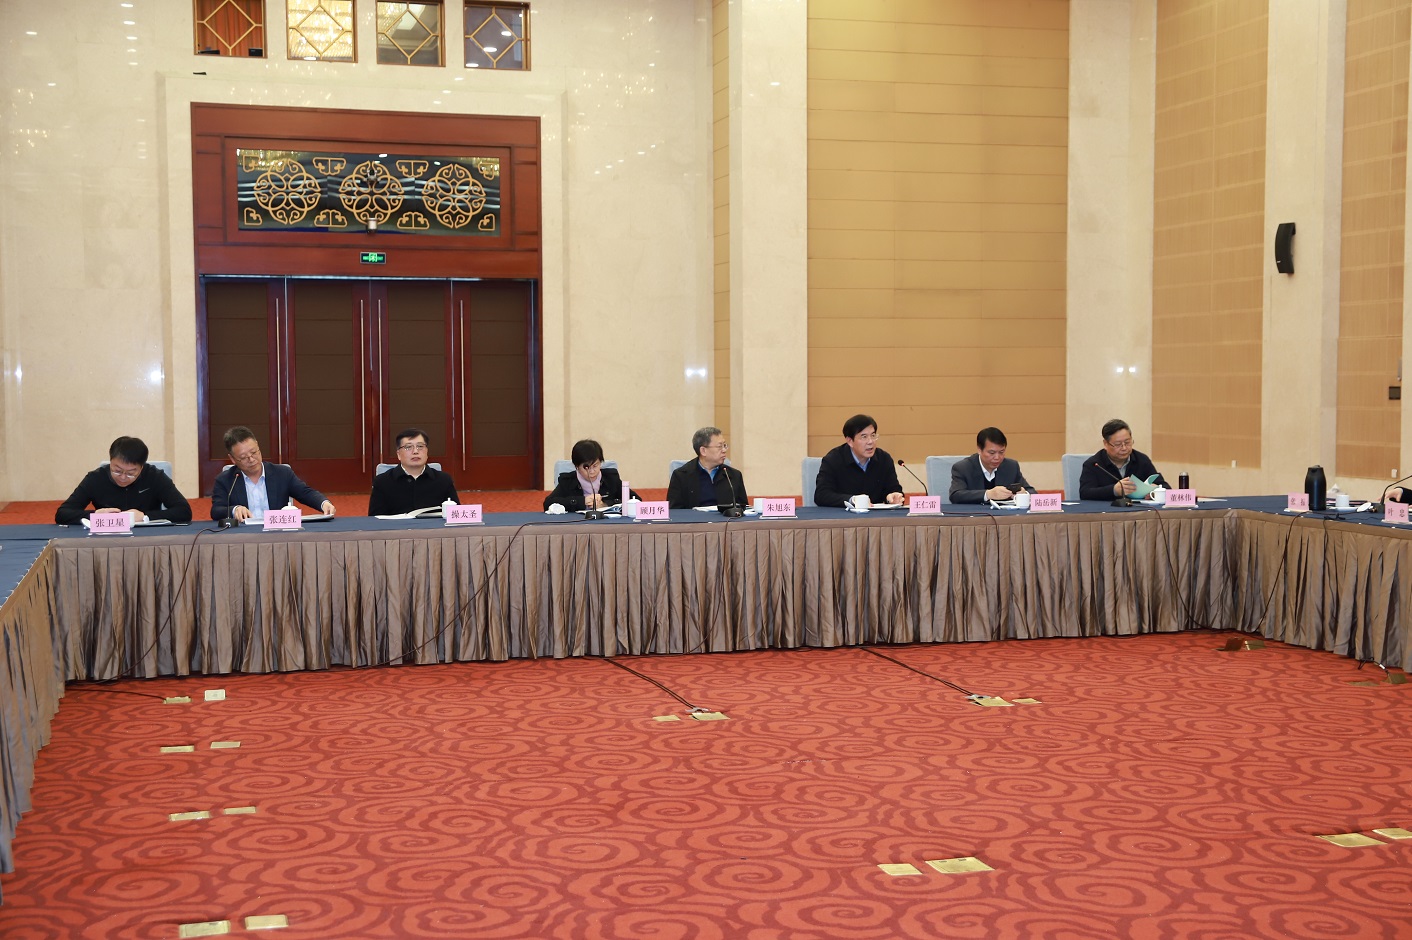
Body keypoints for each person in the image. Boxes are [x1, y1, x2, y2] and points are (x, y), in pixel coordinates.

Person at [210, 426, 336, 522]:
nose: (251, 459)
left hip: (277, 534)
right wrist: (234, 510)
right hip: (244, 535)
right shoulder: (225, 480)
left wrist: (323, 503)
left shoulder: (282, 473)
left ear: (258, 446)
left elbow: (305, 492)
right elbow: (216, 510)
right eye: (243, 457)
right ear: (232, 459)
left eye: (254, 452)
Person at [55, 436, 192, 525]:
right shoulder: (95, 478)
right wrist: (95, 515)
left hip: (148, 537)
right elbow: (63, 513)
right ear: (110, 461)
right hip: (107, 538)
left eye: (131, 473)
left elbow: (184, 511)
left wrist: (145, 516)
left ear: (142, 467)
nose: (123, 477)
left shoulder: (155, 476)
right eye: (117, 470)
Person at [813, 414, 904, 508]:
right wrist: (852, 500)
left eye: (873, 435)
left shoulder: (884, 459)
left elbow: (893, 489)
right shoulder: (833, 460)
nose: (870, 441)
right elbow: (821, 495)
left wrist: (893, 497)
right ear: (850, 441)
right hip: (843, 515)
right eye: (864, 437)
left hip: (876, 516)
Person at [368, 428, 460, 515]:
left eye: (420, 446)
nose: (415, 451)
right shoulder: (382, 482)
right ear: (398, 454)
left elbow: (456, 515)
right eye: (408, 447)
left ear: (427, 451)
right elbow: (374, 520)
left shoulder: (444, 480)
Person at [1078, 418, 1168, 500]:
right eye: (1118, 444)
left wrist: (1156, 490)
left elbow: (1166, 487)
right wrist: (1113, 490)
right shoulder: (1094, 464)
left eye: (1127, 442)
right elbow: (1085, 493)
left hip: (1138, 511)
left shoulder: (1142, 460)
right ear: (1105, 444)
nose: (1124, 448)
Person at [544, 439, 640, 511]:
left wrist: (606, 504)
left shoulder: (611, 478)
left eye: (595, 465)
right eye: (586, 467)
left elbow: (636, 500)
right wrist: (582, 501)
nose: (592, 471)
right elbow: (548, 504)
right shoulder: (568, 481)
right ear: (577, 466)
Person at [666, 427, 748, 510]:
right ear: (703, 451)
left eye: (724, 445)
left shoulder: (734, 475)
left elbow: (744, 508)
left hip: (724, 518)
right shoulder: (681, 476)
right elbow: (674, 511)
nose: (724, 450)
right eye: (720, 446)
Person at [949, 427, 1037, 504]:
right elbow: (955, 495)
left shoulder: (1011, 467)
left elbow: (1032, 492)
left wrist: (1024, 494)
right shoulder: (963, 468)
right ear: (979, 450)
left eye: (1001, 452)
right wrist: (988, 494)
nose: (997, 457)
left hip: (1005, 516)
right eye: (992, 453)